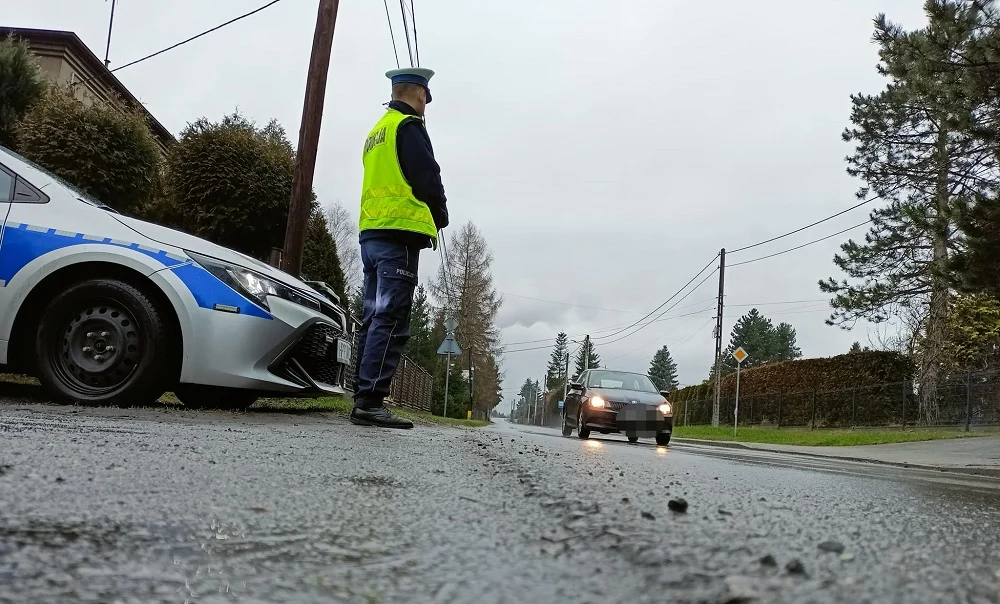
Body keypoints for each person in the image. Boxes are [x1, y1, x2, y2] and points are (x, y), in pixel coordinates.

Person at [350, 67, 448, 429]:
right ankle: (370, 401)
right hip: (398, 237)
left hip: (371, 235)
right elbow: (426, 176)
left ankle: (362, 395)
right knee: (391, 320)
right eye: (426, 100)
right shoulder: (409, 127)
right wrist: (440, 213)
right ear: (420, 96)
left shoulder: (377, 131)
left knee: (373, 317)